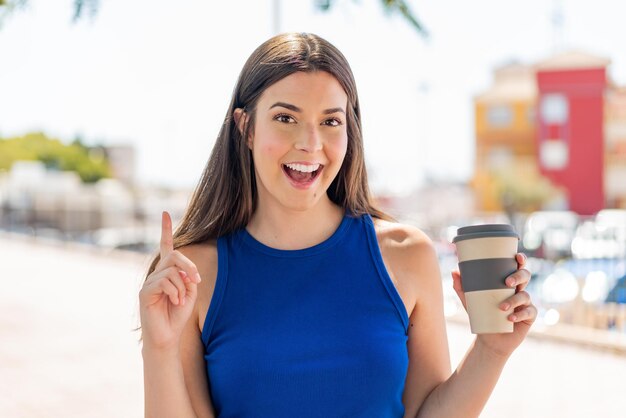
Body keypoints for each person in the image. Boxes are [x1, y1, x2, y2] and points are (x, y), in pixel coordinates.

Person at [139, 32, 537, 418]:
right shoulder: (193, 273)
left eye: (331, 122)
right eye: (285, 118)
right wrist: (158, 349)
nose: (310, 143)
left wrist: (492, 350)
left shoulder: (406, 255)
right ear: (245, 127)